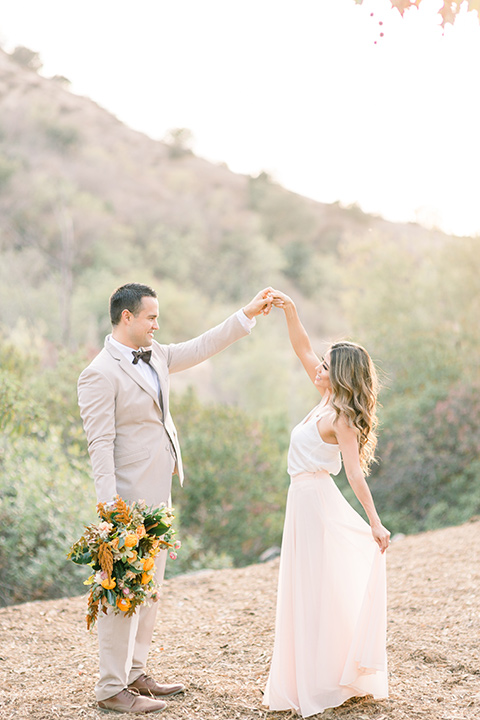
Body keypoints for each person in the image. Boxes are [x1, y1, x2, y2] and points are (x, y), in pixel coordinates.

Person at [77, 282, 273, 714]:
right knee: (122, 592)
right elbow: (100, 445)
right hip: (125, 503)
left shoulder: (160, 354)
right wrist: (110, 511)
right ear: (127, 317)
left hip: (158, 497)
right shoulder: (98, 373)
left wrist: (248, 314)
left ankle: (135, 672)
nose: (157, 324)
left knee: (150, 591)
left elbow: (204, 344)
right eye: (151, 317)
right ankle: (110, 688)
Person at [263, 289, 390, 718]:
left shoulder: (342, 417)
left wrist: (375, 521)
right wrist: (290, 309)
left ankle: (327, 679)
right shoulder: (323, 397)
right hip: (299, 500)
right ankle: (313, 676)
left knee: (318, 587)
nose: (318, 366)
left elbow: (355, 473)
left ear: (341, 374)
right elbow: (301, 346)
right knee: (308, 587)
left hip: (317, 501)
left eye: (326, 365)